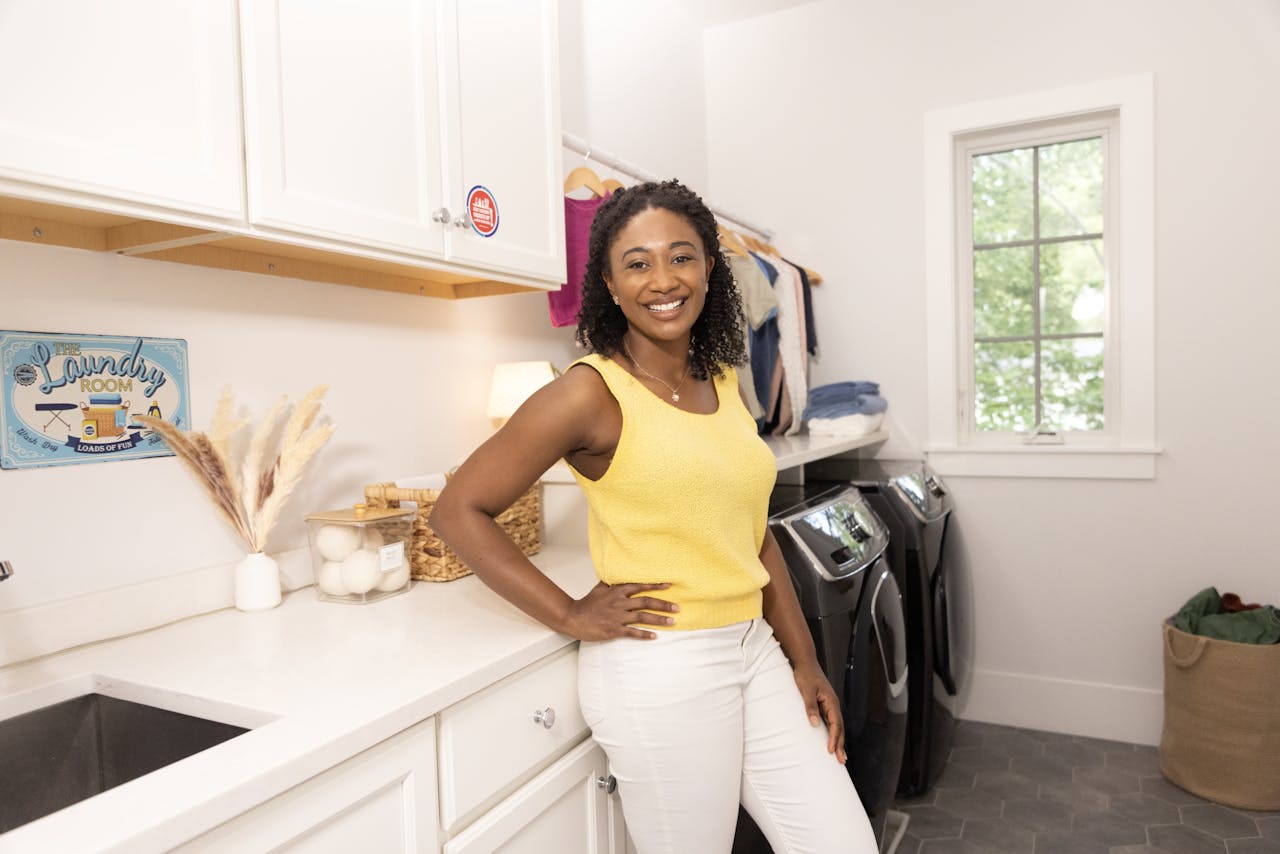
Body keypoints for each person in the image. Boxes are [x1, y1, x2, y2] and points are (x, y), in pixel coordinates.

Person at [430, 180, 875, 854]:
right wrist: (569, 613)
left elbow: (752, 534)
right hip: (662, 670)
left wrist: (804, 660)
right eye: (637, 263)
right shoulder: (587, 392)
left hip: (752, 649)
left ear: (708, 268)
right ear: (608, 284)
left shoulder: (722, 378)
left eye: (682, 257)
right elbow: (458, 510)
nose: (662, 279)